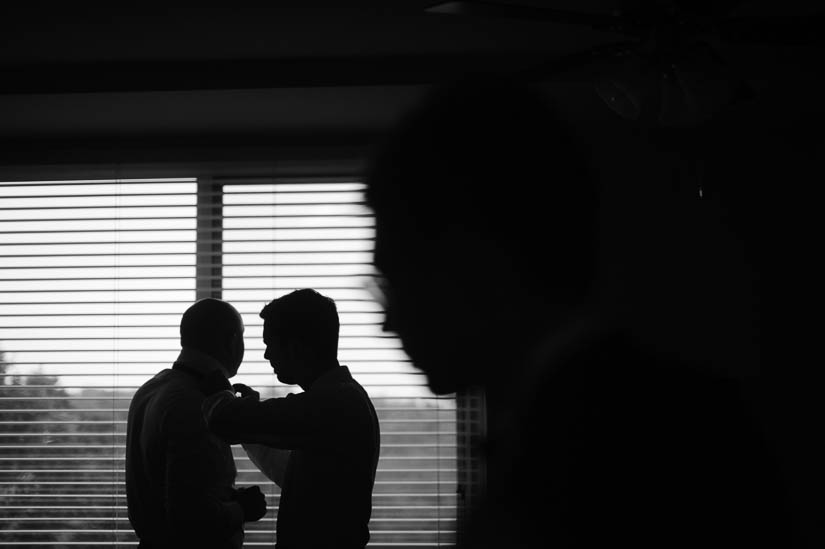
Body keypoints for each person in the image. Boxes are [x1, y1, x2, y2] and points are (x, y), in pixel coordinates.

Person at [363, 75, 789, 547]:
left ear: (476, 260)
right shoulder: (659, 416)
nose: (388, 321)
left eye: (396, 279)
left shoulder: (625, 451)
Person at [202, 288, 380, 549]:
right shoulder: (342, 399)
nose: (266, 356)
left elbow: (225, 421)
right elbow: (293, 475)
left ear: (296, 347)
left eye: (270, 345)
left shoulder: (333, 403)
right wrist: (250, 414)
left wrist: (219, 388)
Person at [125, 297, 267, 549]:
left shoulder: (148, 391)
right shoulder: (196, 405)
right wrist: (242, 509)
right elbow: (190, 519)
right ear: (233, 340)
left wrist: (226, 497)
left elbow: (164, 487)